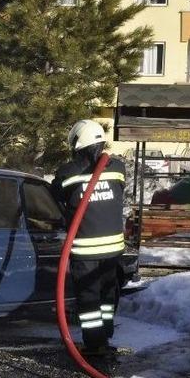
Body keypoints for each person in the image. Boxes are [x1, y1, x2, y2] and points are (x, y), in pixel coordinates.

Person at [51, 119, 126, 356]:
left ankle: (94, 344)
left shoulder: (68, 173)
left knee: (89, 299)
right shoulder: (117, 169)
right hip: (113, 249)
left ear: (77, 143)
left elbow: (55, 196)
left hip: (85, 250)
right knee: (107, 294)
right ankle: (105, 334)